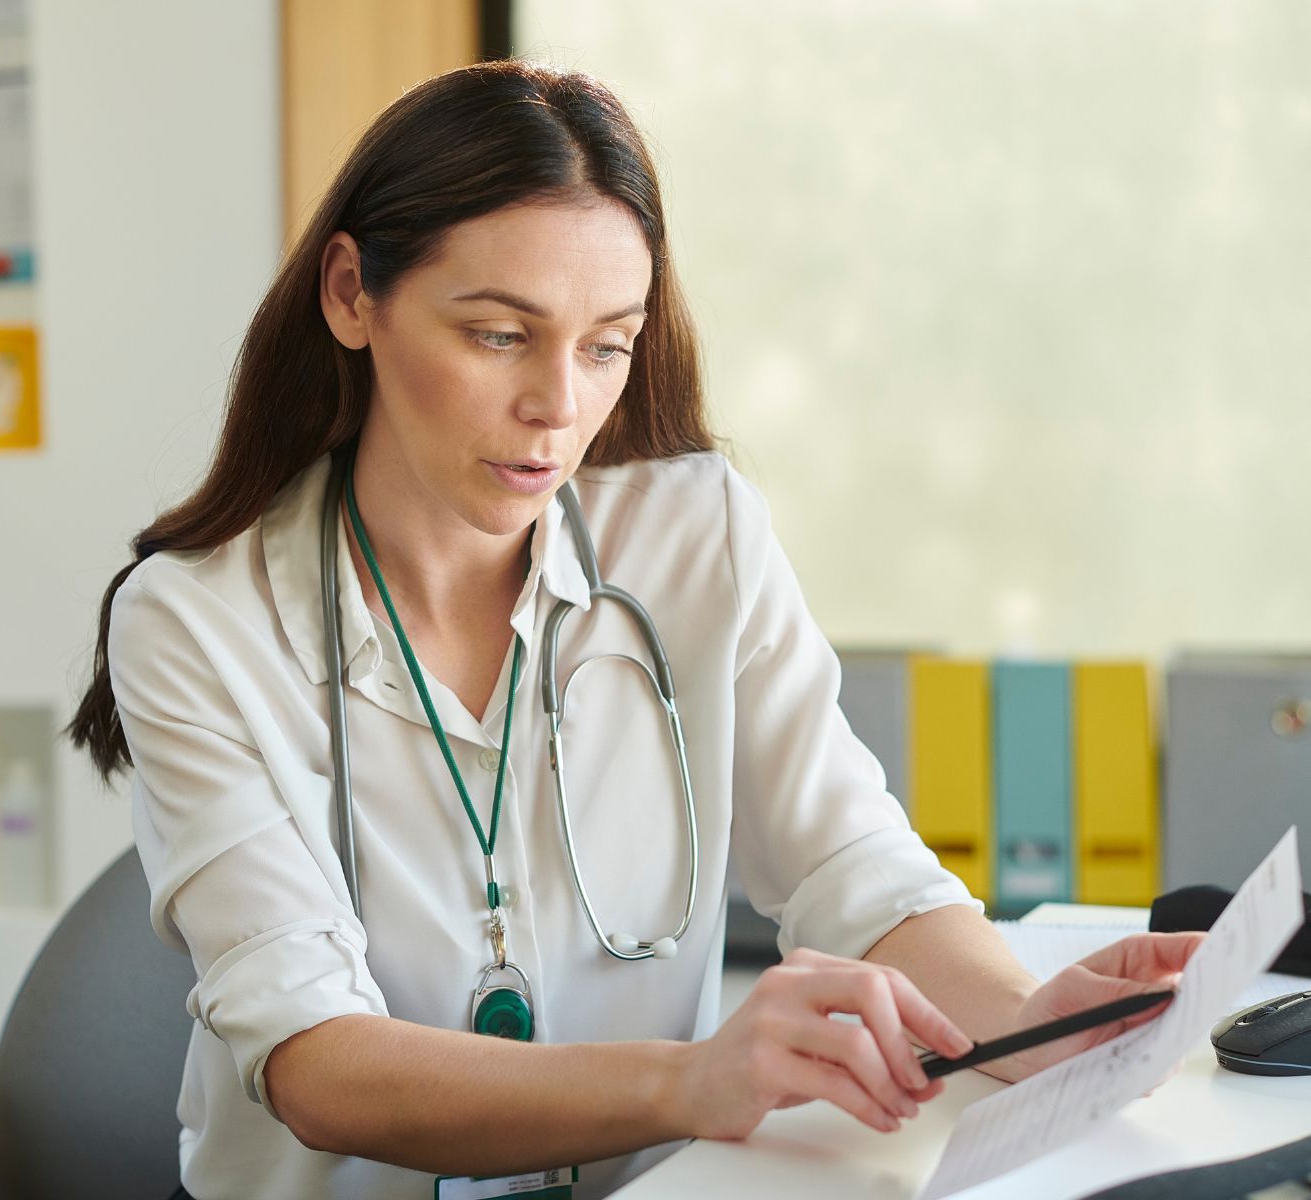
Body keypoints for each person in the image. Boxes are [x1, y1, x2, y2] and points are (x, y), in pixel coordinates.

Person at [68, 61, 1198, 1200]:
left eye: (607, 344)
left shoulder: (694, 535)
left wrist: (1021, 1021)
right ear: (352, 292)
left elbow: (850, 863)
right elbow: (316, 1064)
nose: (558, 407)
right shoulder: (196, 620)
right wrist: (691, 1080)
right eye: (500, 335)